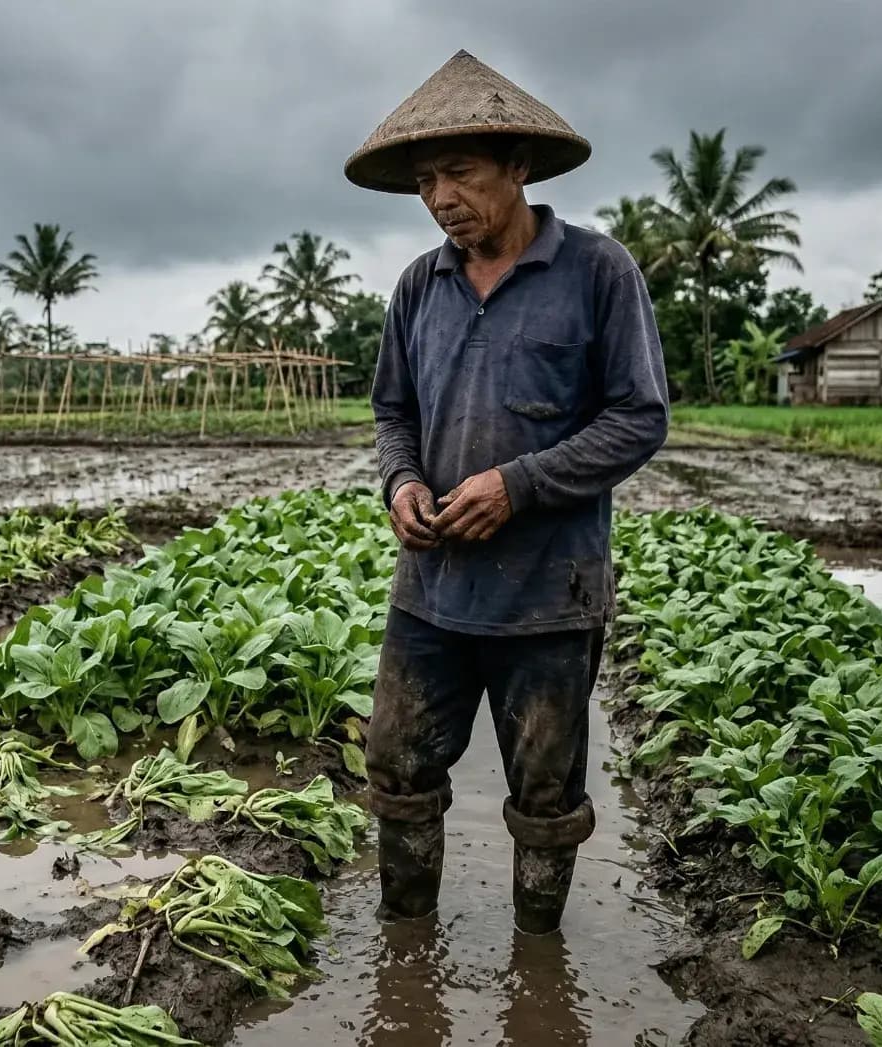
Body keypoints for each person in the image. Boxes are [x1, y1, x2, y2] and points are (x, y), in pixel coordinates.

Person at [344, 50, 670, 934]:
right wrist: (402, 480)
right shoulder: (420, 284)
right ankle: (406, 941)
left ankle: (538, 951)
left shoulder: (599, 273)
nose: (441, 197)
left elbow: (640, 417)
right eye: (424, 182)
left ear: (518, 167)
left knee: (546, 792)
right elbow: (391, 412)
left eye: (459, 173)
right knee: (399, 770)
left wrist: (518, 485)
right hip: (432, 594)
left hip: (549, 598)